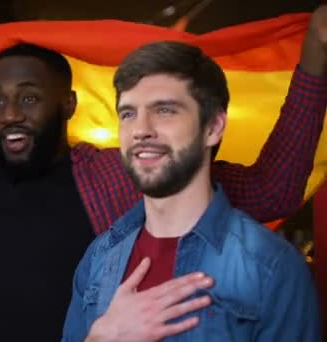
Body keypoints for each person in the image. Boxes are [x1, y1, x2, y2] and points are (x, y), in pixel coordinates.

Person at [0, 7, 327, 341]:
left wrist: (313, 60)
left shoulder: (119, 176)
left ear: (67, 105)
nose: (9, 114)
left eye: (28, 98)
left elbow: (272, 190)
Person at [62, 38, 321, 342]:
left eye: (165, 110)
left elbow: (276, 188)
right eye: (128, 113)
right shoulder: (99, 257)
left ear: (212, 128)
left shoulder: (272, 266)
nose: (141, 129)